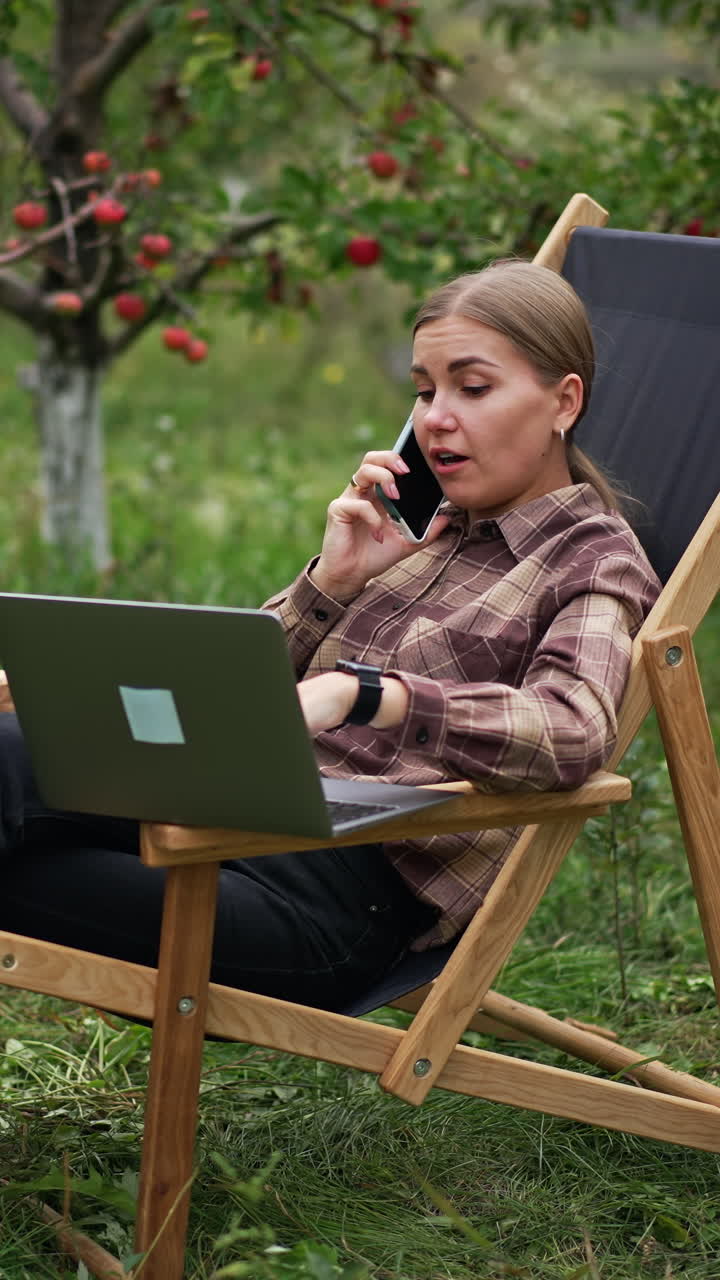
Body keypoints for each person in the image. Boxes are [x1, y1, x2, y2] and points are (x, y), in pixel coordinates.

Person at [0, 260, 660, 1012]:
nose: (437, 417)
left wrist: (368, 693)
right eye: (425, 390)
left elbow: (574, 730)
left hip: (333, 903)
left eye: (472, 388)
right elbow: (229, 688)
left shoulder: (590, 557)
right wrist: (335, 582)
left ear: (562, 401)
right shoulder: (417, 524)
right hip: (230, 809)